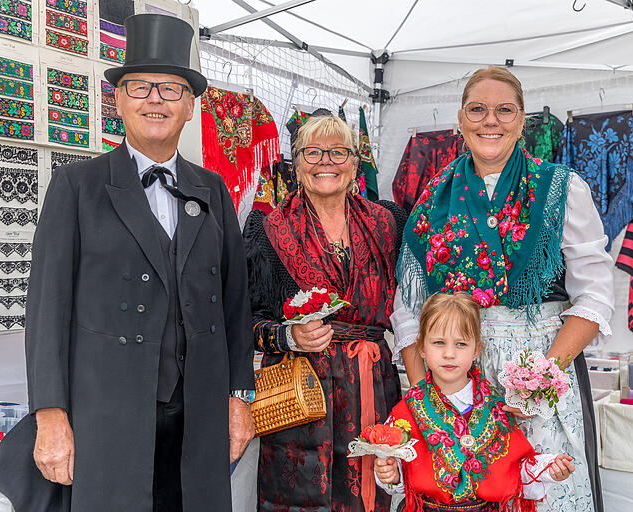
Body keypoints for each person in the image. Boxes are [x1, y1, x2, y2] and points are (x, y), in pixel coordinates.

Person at [0, 14, 255, 512]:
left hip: (197, 416)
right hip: (106, 414)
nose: (155, 99)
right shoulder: (76, 187)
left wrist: (239, 398)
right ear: (118, 99)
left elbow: (236, 309)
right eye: (140, 87)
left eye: (171, 89)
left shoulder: (213, 189)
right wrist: (50, 416)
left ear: (191, 106)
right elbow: (47, 312)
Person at [391, 66, 614, 512]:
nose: (489, 120)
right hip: (457, 377)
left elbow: (595, 294)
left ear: (522, 119)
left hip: (543, 369)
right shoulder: (432, 197)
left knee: (546, 489)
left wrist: (542, 378)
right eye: (477, 109)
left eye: (503, 110)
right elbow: (408, 311)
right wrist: (427, 401)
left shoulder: (562, 189)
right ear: (460, 119)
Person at [244, 115, 404, 511]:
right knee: (301, 497)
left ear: (355, 162)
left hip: (372, 384)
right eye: (312, 153)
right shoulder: (267, 228)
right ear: (296, 164)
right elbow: (243, 320)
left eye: (338, 152)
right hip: (300, 394)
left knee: (374, 488)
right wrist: (287, 337)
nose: (325, 162)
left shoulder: (388, 222)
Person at [375, 293, 575, 512]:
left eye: (461, 344)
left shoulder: (496, 409)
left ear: (476, 350)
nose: (449, 354)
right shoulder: (407, 411)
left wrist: (549, 468)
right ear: (421, 347)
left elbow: (513, 469)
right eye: (439, 343)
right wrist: (391, 474)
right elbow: (400, 473)